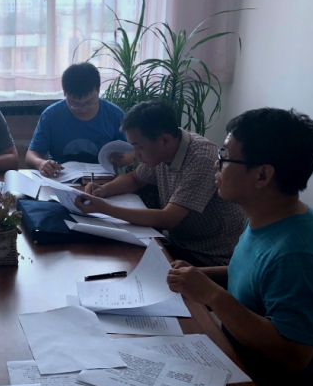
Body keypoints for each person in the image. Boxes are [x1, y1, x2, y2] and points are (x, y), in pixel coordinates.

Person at [166, 108, 313, 386]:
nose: (216, 165)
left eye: (225, 157)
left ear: (262, 175)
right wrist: (199, 276)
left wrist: (211, 295)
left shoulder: (300, 255)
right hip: (244, 367)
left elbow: (293, 354)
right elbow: (251, 275)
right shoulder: (269, 218)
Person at [75, 100, 246, 267]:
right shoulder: (164, 150)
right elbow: (135, 179)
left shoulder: (202, 159)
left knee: (123, 261)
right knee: (110, 252)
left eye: (139, 146)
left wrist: (105, 208)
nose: (135, 154)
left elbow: (168, 219)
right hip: (180, 246)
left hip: (209, 258)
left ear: (165, 140)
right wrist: (103, 190)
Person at [26, 62, 132, 177]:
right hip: (60, 177)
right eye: (75, 104)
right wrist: (41, 163)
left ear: (98, 90)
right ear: (65, 93)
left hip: (103, 179)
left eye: (89, 102)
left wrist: (121, 159)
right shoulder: (51, 115)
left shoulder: (114, 115)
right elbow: (31, 155)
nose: (83, 109)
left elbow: (133, 152)